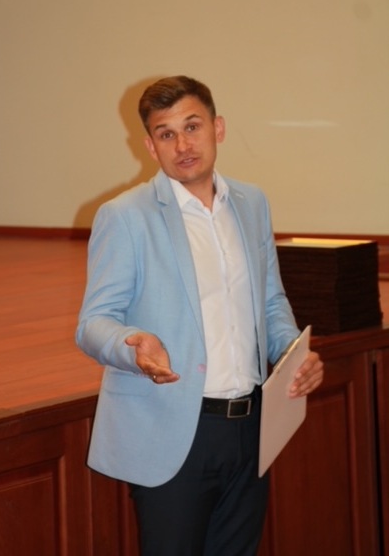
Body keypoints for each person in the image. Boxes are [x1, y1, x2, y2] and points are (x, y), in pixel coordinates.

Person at [76, 75, 324, 556]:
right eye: (166, 134)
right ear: (151, 146)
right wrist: (132, 344)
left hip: (250, 428)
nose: (183, 145)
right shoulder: (125, 216)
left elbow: (271, 301)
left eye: (193, 127)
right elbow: (93, 323)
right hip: (174, 432)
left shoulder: (251, 203)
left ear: (218, 128)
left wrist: (294, 353)